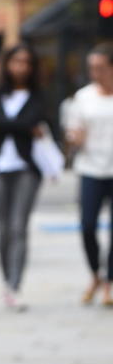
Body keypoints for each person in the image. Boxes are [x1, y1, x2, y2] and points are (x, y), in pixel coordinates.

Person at [0, 42, 55, 312]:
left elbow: (28, 124)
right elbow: (14, 127)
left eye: (27, 63)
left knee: (19, 226)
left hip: (26, 169)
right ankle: (7, 279)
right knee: (2, 228)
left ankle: (14, 286)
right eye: (16, 61)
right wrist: (16, 127)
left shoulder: (38, 96)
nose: (21, 67)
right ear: (6, 64)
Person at [64, 42, 113, 305]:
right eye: (91, 68)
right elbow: (73, 133)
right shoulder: (84, 97)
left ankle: (110, 282)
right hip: (91, 169)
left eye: (100, 68)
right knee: (87, 226)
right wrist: (74, 138)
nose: (95, 73)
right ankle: (95, 273)